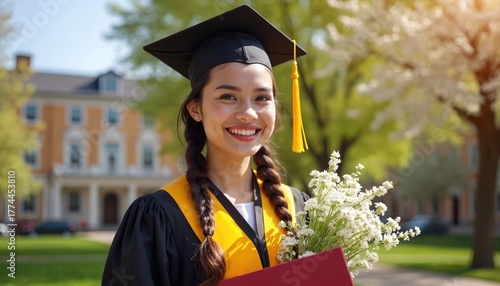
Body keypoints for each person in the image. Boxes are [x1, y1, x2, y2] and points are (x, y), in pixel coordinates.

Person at [102, 5, 308, 286]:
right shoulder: (159, 216)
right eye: (228, 97)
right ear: (196, 110)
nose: (248, 113)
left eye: (262, 98)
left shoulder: (298, 206)